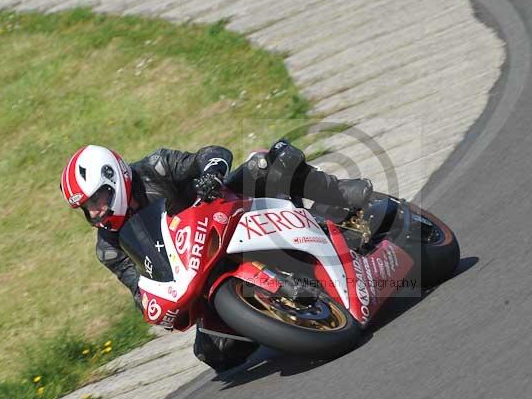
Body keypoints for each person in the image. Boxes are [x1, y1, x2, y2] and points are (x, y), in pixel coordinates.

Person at [60, 140, 372, 371]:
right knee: (215, 353)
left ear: (113, 178)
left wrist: (211, 174)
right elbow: (138, 285)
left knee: (265, 162)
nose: (96, 212)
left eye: (97, 199)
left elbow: (212, 154)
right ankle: (278, 318)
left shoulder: (155, 167)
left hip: (229, 213)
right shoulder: (108, 246)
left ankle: (339, 193)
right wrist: (149, 303)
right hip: (196, 272)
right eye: (88, 208)